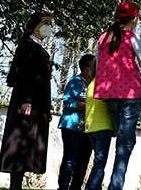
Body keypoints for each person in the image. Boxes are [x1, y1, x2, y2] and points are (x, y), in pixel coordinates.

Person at [93, 0, 141, 190]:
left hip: (108, 96)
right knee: (125, 146)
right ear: (135, 18)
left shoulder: (102, 39)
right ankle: (115, 186)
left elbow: (96, 66)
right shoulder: (133, 38)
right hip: (130, 96)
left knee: (123, 139)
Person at [0, 10, 55, 190]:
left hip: (37, 105)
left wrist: (46, 107)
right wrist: (27, 100)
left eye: (50, 24)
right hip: (27, 103)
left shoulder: (37, 47)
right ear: (36, 25)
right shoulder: (28, 46)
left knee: (28, 146)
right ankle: (15, 187)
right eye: (46, 22)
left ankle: (18, 186)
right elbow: (24, 75)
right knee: (20, 143)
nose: (49, 27)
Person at [57, 53, 96, 190]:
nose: (96, 68)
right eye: (94, 66)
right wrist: (86, 105)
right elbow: (68, 103)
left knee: (83, 162)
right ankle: (62, 187)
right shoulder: (75, 81)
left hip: (88, 129)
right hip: (72, 128)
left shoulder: (94, 84)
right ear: (86, 69)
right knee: (70, 160)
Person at [84, 73, 115, 190]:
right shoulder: (106, 80)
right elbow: (112, 106)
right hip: (103, 127)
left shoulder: (92, 82)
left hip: (90, 127)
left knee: (98, 163)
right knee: (99, 165)